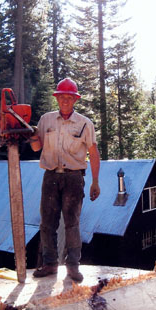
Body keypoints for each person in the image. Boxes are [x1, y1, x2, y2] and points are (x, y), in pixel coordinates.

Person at [29, 78, 100, 282]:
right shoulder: (46, 120)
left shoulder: (85, 124)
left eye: (70, 98)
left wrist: (95, 181)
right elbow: (36, 147)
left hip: (74, 178)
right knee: (47, 223)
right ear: (57, 98)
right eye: (62, 97)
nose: (66, 101)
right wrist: (30, 133)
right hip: (50, 176)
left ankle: (73, 267)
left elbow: (93, 154)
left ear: (75, 100)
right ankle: (50, 264)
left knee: (72, 223)